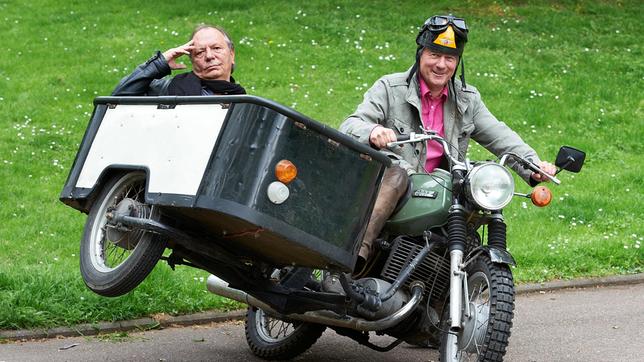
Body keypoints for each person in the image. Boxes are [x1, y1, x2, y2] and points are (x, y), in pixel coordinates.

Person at [340, 15, 556, 273]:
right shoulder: (390, 88)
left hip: (440, 187)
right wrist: (373, 130)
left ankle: (446, 290)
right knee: (396, 175)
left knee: (475, 189)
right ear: (421, 53)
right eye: (434, 55)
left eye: (450, 58)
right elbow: (351, 125)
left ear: (457, 62)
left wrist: (532, 164)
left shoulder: (467, 99)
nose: (441, 65)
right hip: (400, 182)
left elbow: (499, 134)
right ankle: (350, 261)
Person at [112, 24, 245, 96]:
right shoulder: (168, 89)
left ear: (231, 54)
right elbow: (119, 96)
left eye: (216, 48)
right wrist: (159, 64)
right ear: (192, 61)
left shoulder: (245, 102)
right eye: (200, 52)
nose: (209, 56)